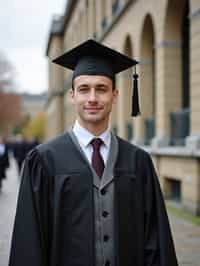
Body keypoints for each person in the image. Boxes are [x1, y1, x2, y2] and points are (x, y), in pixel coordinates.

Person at [9, 39, 178, 266]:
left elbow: (155, 242)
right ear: (72, 96)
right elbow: (29, 244)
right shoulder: (44, 161)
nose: (92, 98)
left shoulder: (138, 161)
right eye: (83, 89)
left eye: (101, 89)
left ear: (115, 95)